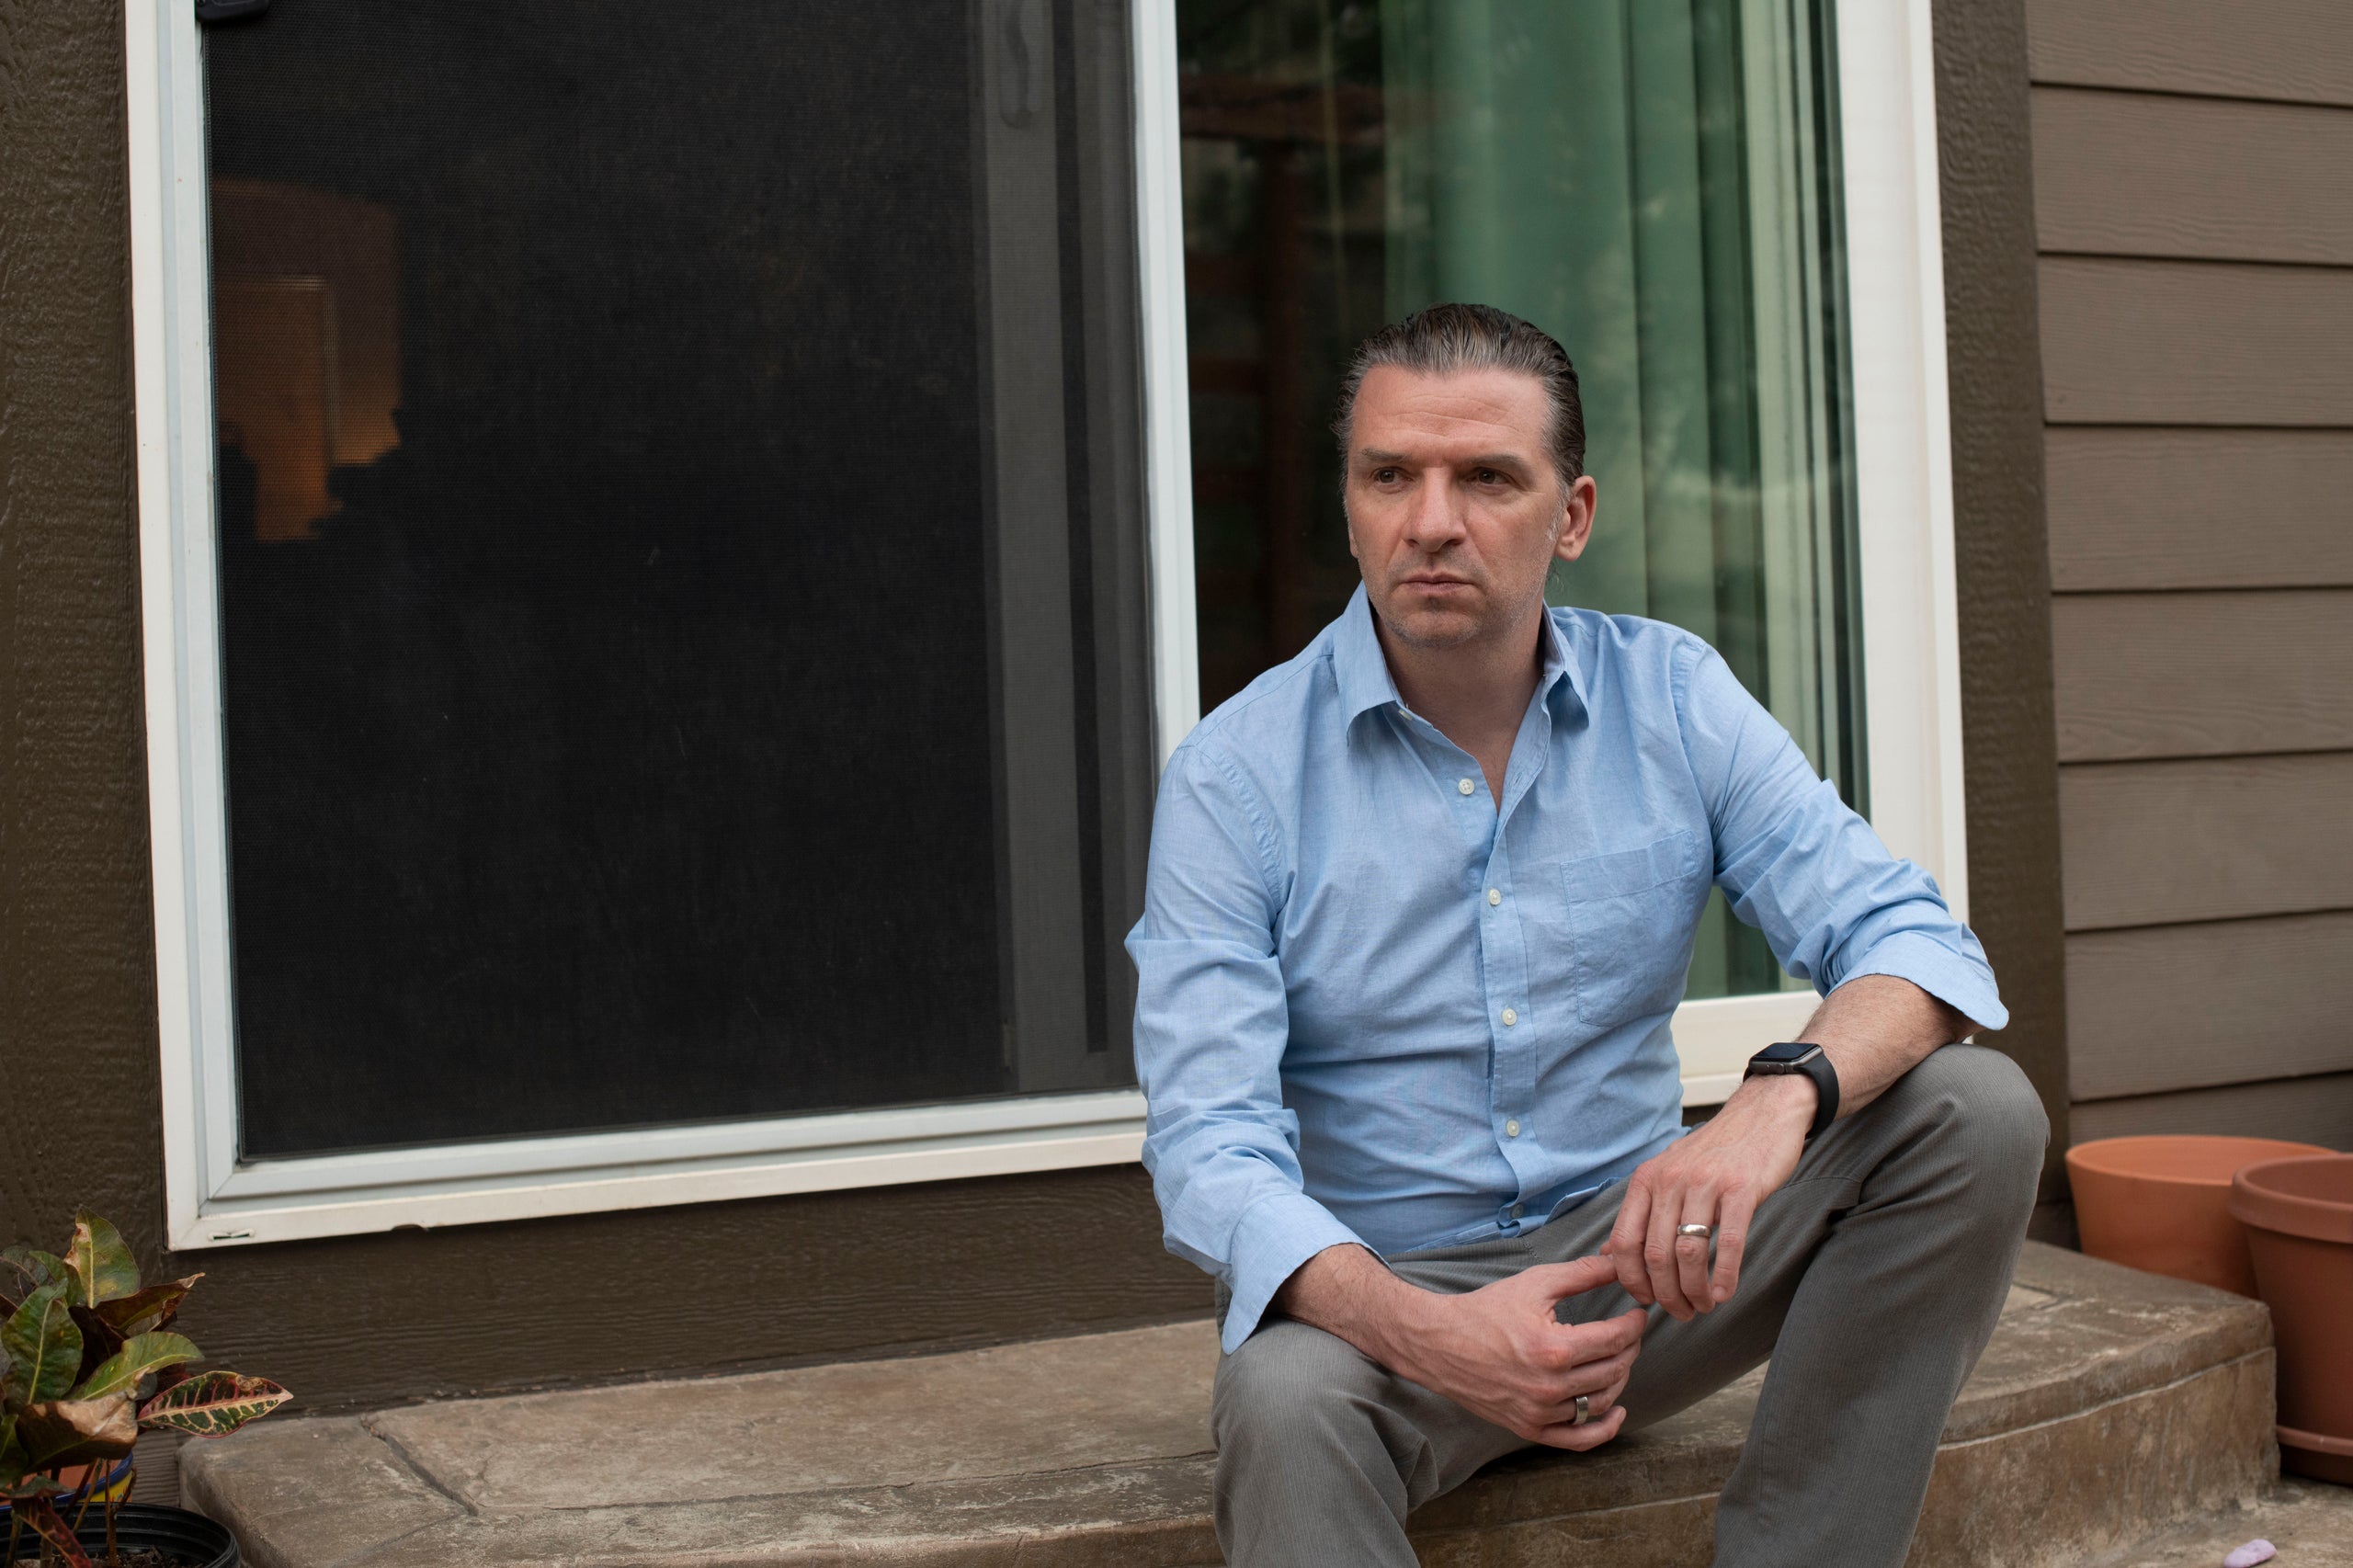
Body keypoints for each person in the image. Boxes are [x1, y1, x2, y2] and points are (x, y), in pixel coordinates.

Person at [1127, 302, 2046, 1567]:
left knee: (1974, 1112)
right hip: (1389, 1310)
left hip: (1649, 1269)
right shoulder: (1235, 777)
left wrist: (1773, 1103)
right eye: (1390, 474)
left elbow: (1917, 943)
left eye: (1488, 477)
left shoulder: (1672, 698)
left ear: (1573, 514)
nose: (1431, 520)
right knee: (1281, 1401)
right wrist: (1440, 1334)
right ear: (1350, 504)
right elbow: (1209, 1150)